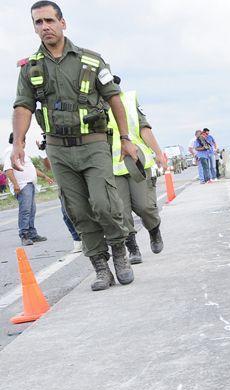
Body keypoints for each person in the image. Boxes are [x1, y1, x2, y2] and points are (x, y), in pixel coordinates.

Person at [11, 1, 141, 291]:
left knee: (104, 204)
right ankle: (100, 266)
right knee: (77, 210)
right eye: (38, 23)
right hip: (58, 148)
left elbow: (114, 99)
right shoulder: (31, 68)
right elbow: (23, 105)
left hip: (94, 144)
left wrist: (125, 139)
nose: (44, 27)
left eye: (49, 20)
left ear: (62, 23)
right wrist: (18, 143)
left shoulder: (91, 61)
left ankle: (119, 251)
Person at [107, 84, 166, 263]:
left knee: (144, 206)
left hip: (137, 161)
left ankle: (154, 230)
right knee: (121, 212)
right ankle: (132, 248)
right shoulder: (93, 104)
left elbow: (144, 128)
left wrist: (158, 153)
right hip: (112, 167)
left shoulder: (129, 100)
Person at [3, 133, 48, 246]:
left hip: (30, 184)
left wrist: (44, 176)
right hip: (23, 186)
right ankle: (24, 235)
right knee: (26, 211)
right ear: (19, 141)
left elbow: (31, 168)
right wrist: (16, 185)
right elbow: (8, 169)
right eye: (24, 141)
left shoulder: (21, 153)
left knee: (31, 210)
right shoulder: (10, 151)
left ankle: (32, 234)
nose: (24, 144)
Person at [38, 137, 82, 252]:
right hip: (64, 181)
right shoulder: (50, 139)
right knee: (66, 212)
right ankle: (77, 240)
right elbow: (48, 167)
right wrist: (43, 152)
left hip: (82, 175)